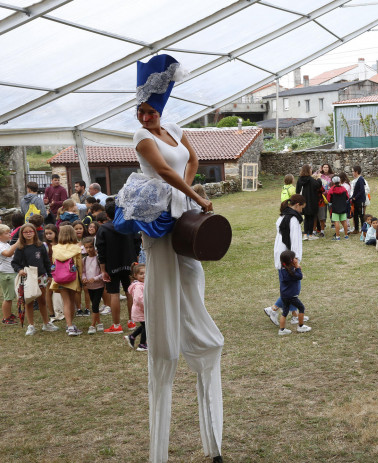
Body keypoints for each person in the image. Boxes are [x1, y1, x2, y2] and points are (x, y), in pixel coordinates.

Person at [124, 54, 224, 463]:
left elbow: (191, 159)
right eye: (140, 110)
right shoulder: (140, 138)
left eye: (150, 110)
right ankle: (162, 335)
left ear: (161, 109)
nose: (144, 116)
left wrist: (191, 189)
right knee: (166, 275)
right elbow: (164, 172)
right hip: (162, 221)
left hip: (184, 216)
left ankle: (193, 326)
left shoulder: (176, 129)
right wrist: (196, 194)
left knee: (193, 274)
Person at [264, 195, 307, 327]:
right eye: (302, 208)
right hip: (287, 256)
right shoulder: (293, 220)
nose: (302, 211)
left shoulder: (283, 216)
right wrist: (295, 260)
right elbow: (294, 241)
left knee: (289, 285)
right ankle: (273, 309)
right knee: (292, 289)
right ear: (298, 205)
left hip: (281, 254)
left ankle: (294, 315)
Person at [96, 204, 138, 333]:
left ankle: (116, 325)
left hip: (112, 264)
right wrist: (135, 260)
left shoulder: (103, 228)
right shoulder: (129, 225)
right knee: (129, 291)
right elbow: (137, 242)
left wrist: (103, 270)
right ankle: (132, 322)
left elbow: (101, 251)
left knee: (114, 293)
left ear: (107, 215)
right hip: (129, 263)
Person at [11, 224, 53, 335]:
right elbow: (14, 262)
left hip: (41, 277)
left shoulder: (40, 246)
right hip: (28, 278)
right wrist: (19, 270)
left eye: (31, 231)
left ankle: (46, 323)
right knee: (29, 301)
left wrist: (49, 274)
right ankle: (31, 325)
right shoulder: (20, 248)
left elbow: (46, 261)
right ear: (22, 234)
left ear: (34, 232)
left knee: (42, 300)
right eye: (26, 232)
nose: (29, 233)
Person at [50, 225, 84, 336]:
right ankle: (70, 326)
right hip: (72, 278)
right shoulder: (76, 248)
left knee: (66, 302)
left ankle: (69, 325)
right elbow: (79, 265)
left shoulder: (55, 248)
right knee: (72, 301)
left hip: (59, 278)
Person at [277, 250, 311, 336]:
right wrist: (298, 268)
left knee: (285, 312)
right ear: (291, 261)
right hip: (292, 296)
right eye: (294, 258)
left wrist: (295, 267)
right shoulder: (291, 272)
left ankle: (282, 330)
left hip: (283, 295)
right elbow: (299, 276)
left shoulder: (282, 269)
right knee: (301, 308)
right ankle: (301, 326)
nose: (296, 259)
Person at [81, 236, 104, 334]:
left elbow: (103, 273)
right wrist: (84, 278)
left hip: (99, 286)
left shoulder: (99, 258)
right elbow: (83, 272)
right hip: (90, 287)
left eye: (91, 247)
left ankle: (92, 325)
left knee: (94, 305)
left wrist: (94, 278)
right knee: (94, 305)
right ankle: (99, 323)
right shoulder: (84, 260)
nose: (89, 249)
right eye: (87, 247)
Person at [0, 224, 21, 325]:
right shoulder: (0, 245)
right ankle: (6, 318)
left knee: (11, 296)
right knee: (8, 297)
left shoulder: (5, 243)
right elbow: (8, 254)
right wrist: (17, 243)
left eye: (9, 232)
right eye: (6, 233)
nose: (9, 234)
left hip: (11, 272)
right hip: (6, 274)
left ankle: (8, 314)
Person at [296, 164, 322, 240]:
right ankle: (310, 234)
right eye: (310, 169)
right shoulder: (311, 179)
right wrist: (319, 178)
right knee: (310, 218)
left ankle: (305, 235)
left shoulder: (300, 179)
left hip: (302, 201)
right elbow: (318, 185)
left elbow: (297, 190)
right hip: (311, 201)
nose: (311, 170)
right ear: (308, 170)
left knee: (306, 218)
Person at [125, 263, 147, 351]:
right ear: (135, 275)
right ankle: (142, 344)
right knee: (147, 326)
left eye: (145, 273)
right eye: (141, 274)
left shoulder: (142, 284)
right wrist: (147, 305)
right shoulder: (138, 286)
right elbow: (138, 299)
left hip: (141, 310)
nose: (144, 275)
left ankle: (132, 336)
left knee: (144, 325)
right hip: (140, 310)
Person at [326, 175, 350, 241]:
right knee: (344, 221)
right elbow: (347, 197)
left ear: (333, 182)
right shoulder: (344, 189)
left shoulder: (331, 190)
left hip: (335, 208)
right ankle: (346, 235)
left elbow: (329, 199)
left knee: (336, 222)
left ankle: (337, 236)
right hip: (343, 207)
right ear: (339, 181)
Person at [351, 165, 367, 234]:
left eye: (352, 171)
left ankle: (363, 229)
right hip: (356, 201)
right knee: (355, 215)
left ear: (356, 172)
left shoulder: (361, 179)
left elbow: (362, 190)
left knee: (361, 215)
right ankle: (356, 229)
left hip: (360, 200)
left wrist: (355, 197)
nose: (352, 173)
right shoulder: (357, 179)